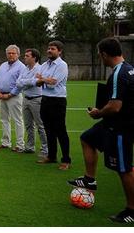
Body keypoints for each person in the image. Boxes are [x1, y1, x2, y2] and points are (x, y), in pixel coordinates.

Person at [68, 38, 134, 223]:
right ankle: (90, 179)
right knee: (88, 138)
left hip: (121, 126)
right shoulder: (128, 68)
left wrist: (98, 113)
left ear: (104, 54)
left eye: (99, 54)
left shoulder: (119, 74)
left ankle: (132, 209)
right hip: (112, 123)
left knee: (124, 168)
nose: (99, 58)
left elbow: (115, 106)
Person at [36, 40, 71, 170]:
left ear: (59, 51)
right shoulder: (45, 65)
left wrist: (43, 79)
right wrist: (45, 79)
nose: (49, 51)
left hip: (58, 101)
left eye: (53, 49)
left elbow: (53, 83)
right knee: (48, 130)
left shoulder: (62, 65)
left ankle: (66, 159)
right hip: (45, 99)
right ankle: (51, 156)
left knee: (60, 131)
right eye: (49, 48)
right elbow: (38, 81)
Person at [15, 48, 48, 156]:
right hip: (26, 98)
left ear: (34, 57)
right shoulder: (25, 69)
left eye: (27, 56)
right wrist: (32, 81)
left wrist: (27, 82)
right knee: (28, 125)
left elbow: (37, 82)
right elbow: (18, 83)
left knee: (40, 125)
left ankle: (45, 149)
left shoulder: (40, 69)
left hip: (37, 99)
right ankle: (30, 147)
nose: (25, 57)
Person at [0, 45, 26, 151]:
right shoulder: (3, 65)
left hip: (14, 97)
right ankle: (5, 142)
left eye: (13, 53)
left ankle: (20, 145)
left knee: (17, 120)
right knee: (4, 120)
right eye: (9, 53)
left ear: (18, 54)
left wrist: (10, 94)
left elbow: (20, 84)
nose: (11, 55)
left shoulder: (21, 67)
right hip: (1, 96)